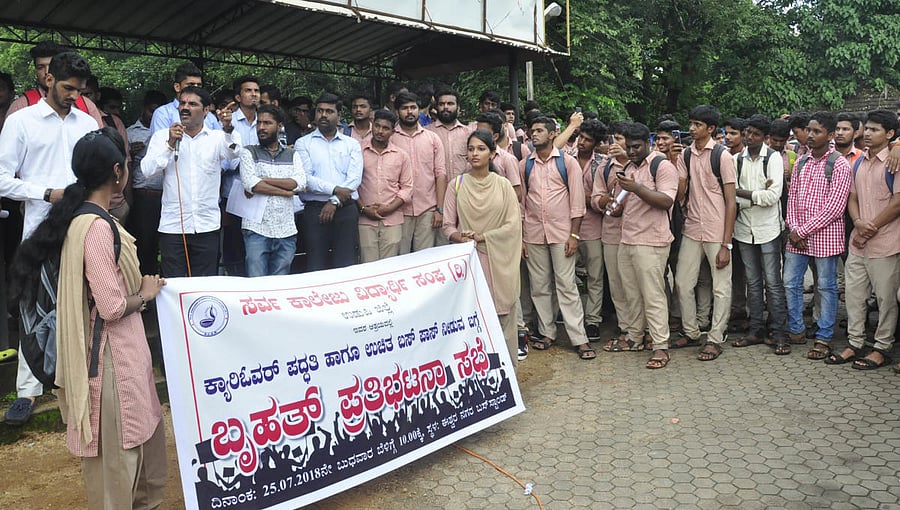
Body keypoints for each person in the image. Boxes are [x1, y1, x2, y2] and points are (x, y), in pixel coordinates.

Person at [16, 128, 167, 508]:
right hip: (110, 359)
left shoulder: (80, 219)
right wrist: (145, 295)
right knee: (117, 462)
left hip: (120, 355)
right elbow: (113, 305)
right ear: (118, 172)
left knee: (131, 450)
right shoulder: (97, 228)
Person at [0, 51, 99, 426]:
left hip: (83, 226)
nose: (74, 95)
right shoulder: (21, 121)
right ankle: (27, 392)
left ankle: (79, 384)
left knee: (83, 305)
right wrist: (47, 193)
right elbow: (2, 177)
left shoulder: (85, 122)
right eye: (68, 87)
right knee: (34, 310)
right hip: (41, 229)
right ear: (48, 79)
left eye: (79, 89)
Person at [141, 86, 241, 278]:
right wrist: (170, 144)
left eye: (192, 104)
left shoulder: (217, 137)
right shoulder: (163, 136)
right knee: (174, 287)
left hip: (207, 226)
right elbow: (147, 170)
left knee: (204, 287)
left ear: (205, 111)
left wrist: (228, 128)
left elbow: (234, 152)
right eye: (182, 103)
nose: (185, 108)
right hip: (173, 227)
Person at [827, 110, 899, 369]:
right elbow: (852, 198)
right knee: (854, 296)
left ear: (890, 134)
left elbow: (897, 202)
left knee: (885, 299)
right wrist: (858, 223)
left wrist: (872, 226)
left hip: (887, 242)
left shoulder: (894, 161)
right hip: (859, 241)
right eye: (866, 129)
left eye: (874, 129)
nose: (867, 133)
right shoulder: (857, 162)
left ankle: (881, 347)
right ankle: (855, 342)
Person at [444, 129, 522, 367]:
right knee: (473, 319)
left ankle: (508, 377)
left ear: (492, 153)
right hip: (469, 262)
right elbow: (448, 226)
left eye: (480, 149)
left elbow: (512, 225)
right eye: (471, 149)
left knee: (504, 318)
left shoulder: (503, 186)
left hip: (500, 262)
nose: (475, 153)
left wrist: (484, 236)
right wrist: (460, 237)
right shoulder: (456, 185)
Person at [605, 122, 678, 368]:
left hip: (653, 241)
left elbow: (666, 201)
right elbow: (624, 204)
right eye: (629, 147)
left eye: (636, 147)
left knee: (653, 295)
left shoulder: (662, 166)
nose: (632, 151)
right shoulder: (628, 166)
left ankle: (660, 346)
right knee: (632, 295)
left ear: (649, 142)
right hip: (628, 238)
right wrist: (614, 207)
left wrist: (636, 187)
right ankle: (635, 337)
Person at [520, 116, 593, 360]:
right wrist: (521, 237)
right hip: (533, 233)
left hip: (562, 234)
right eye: (532, 130)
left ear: (553, 134)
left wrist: (574, 235)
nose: (534, 134)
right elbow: (521, 204)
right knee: (539, 287)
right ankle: (547, 333)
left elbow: (577, 203)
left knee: (566, 285)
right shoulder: (525, 165)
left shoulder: (568, 163)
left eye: (540, 130)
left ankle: (579, 338)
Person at [783, 111, 851, 361]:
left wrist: (801, 231)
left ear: (830, 135)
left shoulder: (839, 164)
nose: (810, 135)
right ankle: (796, 330)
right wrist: (793, 227)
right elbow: (792, 198)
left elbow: (834, 209)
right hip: (797, 236)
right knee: (790, 282)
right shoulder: (802, 160)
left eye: (816, 131)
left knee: (827, 287)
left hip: (825, 238)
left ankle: (823, 337)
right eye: (808, 130)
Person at [673, 105, 737, 361]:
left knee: (721, 287)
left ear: (710, 129)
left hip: (716, 230)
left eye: (697, 125)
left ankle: (715, 337)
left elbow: (731, 201)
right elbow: (679, 194)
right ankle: (691, 332)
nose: (691, 129)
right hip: (692, 228)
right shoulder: (685, 155)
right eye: (690, 123)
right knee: (682, 282)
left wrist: (726, 244)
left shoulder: (722, 156)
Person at [730, 114, 790, 355]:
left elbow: (772, 197)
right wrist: (754, 195)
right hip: (744, 230)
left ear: (765, 137)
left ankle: (779, 332)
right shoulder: (736, 160)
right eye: (747, 132)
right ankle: (755, 330)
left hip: (768, 230)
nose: (749, 137)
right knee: (753, 284)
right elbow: (730, 196)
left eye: (755, 134)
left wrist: (743, 194)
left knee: (773, 283)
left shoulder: (773, 158)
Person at [295, 93, 362, 270]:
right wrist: (335, 190)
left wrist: (334, 201)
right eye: (320, 111)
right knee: (315, 263)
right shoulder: (303, 143)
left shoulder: (351, 144)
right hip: (314, 210)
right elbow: (306, 179)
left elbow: (354, 179)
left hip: (345, 209)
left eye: (329, 111)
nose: (323, 115)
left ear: (339, 116)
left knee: (345, 263)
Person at [239, 104, 306, 276]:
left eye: (267, 123)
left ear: (280, 126)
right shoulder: (248, 152)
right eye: (259, 123)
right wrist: (285, 192)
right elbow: (250, 184)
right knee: (256, 283)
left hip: (286, 229)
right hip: (256, 229)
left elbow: (300, 183)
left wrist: (262, 180)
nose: (261, 127)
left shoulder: (292, 154)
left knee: (280, 286)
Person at [392, 91, 447, 253]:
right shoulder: (390, 138)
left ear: (419, 109)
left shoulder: (432, 138)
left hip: (427, 210)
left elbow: (440, 174)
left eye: (413, 107)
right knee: (399, 260)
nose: (409, 112)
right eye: (404, 108)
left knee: (424, 260)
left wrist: (440, 209)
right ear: (397, 112)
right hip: (398, 211)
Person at [5, 41, 104, 127]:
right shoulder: (21, 107)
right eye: (41, 67)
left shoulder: (87, 106)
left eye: (51, 65)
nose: (47, 71)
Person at [358, 109, 412, 262]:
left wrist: (388, 208)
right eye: (377, 126)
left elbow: (407, 188)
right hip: (365, 219)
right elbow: (351, 185)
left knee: (389, 268)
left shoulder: (401, 155)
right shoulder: (358, 151)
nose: (380, 131)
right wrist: (363, 209)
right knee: (367, 266)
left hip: (392, 220)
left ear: (393, 131)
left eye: (386, 128)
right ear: (372, 125)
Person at [572, 119, 607, 340]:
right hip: (568, 228)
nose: (582, 143)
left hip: (595, 228)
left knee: (595, 277)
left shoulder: (602, 163)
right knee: (566, 277)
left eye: (588, 140)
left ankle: (593, 320)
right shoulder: (565, 160)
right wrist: (591, 198)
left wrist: (579, 197)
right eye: (580, 137)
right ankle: (573, 318)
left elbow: (601, 198)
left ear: (596, 143)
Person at [126, 90, 167, 275]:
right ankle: (144, 289)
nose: (154, 115)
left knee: (167, 245)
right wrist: (131, 153)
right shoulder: (130, 133)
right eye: (152, 111)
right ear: (144, 109)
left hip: (168, 196)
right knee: (145, 244)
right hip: (144, 196)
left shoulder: (171, 132)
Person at [149, 61, 220, 136]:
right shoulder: (163, 114)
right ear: (177, 87)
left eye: (199, 85)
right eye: (191, 85)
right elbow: (160, 144)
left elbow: (221, 142)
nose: (195, 88)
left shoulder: (208, 115)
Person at [427, 88, 469, 183]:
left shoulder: (468, 133)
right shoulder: (427, 133)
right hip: (435, 192)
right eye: (441, 104)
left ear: (458, 108)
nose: (445, 107)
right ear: (436, 107)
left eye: (450, 104)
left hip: (463, 190)